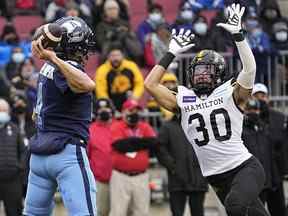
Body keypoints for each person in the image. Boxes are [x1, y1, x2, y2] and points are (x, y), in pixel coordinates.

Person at [144, 3, 270, 216]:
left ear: (220, 73)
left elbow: (250, 69)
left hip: (243, 167)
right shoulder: (184, 99)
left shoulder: (231, 92)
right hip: (215, 177)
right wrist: (171, 52)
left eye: (207, 70)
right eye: (198, 71)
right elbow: (150, 85)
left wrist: (239, 36)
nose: (201, 75)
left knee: (235, 207)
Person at [23, 17, 97, 215]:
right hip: (66, 152)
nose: (85, 52)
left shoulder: (45, 68)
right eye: (83, 47)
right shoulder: (61, 66)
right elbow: (87, 85)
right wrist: (55, 58)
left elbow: (34, 116)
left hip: (39, 156)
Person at [109, 99, 157, 216]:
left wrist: (130, 142)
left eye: (136, 110)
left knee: (142, 212)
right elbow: (120, 146)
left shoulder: (144, 126)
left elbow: (153, 142)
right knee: (118, 212)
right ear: (123, 112)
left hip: (141, 176)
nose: (134, 113)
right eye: (131, 110)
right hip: (120, 176)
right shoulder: (117, 126)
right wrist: (141, 142)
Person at [156, 113, 208, 216]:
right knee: (177, 213)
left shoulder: (202, 124)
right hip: (177, 179)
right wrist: (173, 167)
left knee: (198, 213)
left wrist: (205, 166)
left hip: (198, 179)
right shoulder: (168, 127)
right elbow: (160, 148)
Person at [252, 83, 287, 216]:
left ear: (268, 98)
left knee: (279, 211)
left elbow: (283, 145)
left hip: (275, 176)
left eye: (263, 96)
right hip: (255, 178)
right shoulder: (245, 119)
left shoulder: (279, 118)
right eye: (256, 96)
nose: (260, 99)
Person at [95, 43, 144, 111]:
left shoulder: (131, 66)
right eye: (112, 55)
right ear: (108, 57)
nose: (115, 58)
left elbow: (139, 83)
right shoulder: (102, 70)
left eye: (118, 55)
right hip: (111, 103)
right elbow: (100, 89)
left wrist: (135, 95)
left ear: (122, 56)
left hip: (130, 102)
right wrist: (107, 102)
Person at [87, 98, 116, 216]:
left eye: (106, 109)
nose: (104, 111)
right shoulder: (90, 130)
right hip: (100, 181)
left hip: (120, 180)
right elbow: (86, 155)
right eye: (101, 109)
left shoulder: (119, 126)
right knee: (100, 212)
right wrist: (94, 172)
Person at [0, 98, 26, 216]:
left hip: (13, 179)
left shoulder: (15, 129)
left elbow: (23, 151)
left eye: (5, 111)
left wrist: (19, 166)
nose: (3, 114)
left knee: (15, 211)